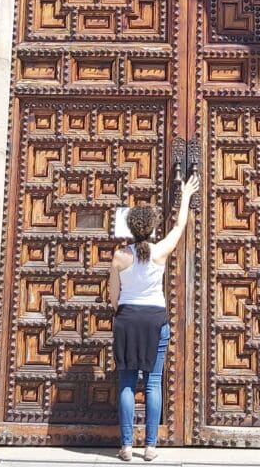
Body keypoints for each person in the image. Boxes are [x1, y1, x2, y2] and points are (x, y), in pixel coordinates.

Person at [109, 172, 200, 462]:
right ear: (151, 228)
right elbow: (179, 226)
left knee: (126, 381)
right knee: (152, 382)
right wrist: (185, 195)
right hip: (154, 320)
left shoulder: (120, 256)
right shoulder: (160, 251)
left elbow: (113, 295)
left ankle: (125, 447)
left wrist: (120, 313)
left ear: (131, 227)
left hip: (127, 319)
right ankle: (149, 446)